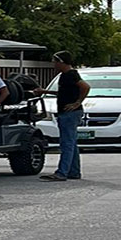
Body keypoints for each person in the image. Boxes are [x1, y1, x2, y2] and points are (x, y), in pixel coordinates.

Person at [36, 51, 89, 181]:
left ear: (61, 62)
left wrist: (77, 103)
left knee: (66, 143)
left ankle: (62, 172)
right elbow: (64, 92)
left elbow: (86, 87)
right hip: (67, 112)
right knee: (71, 143)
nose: (53, 64)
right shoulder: (65, 76)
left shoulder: (70, 74)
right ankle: (74, 171)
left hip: (69, 113)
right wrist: (45, 91)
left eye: (55, 61)